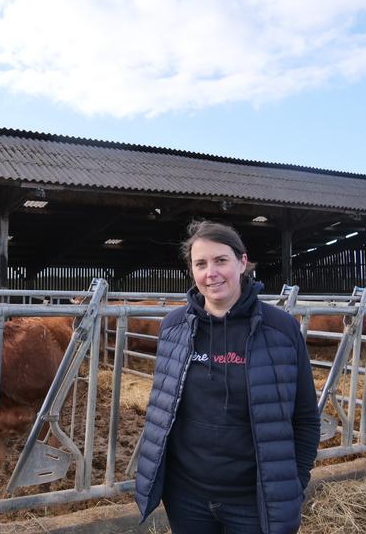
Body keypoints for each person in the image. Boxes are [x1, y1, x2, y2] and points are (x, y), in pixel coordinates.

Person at [135, 220, 320, 534]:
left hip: (252, 500)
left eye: (221, 260)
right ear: (192, 270)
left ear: (242, 262)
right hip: (186, 496)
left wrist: (293, 481)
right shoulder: (174, 327)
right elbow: (163, 409)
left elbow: (305, 418)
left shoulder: (280, 329)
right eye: (201, 264)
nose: (211, 273)